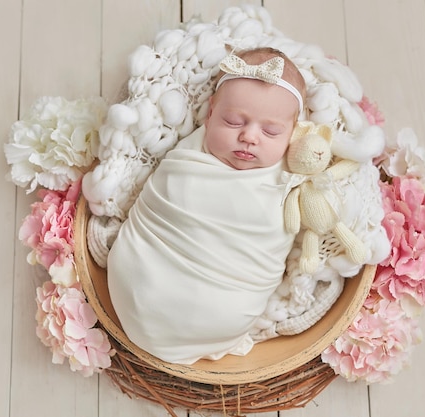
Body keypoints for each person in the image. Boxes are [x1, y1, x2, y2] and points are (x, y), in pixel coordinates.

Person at [106, 47, 307, 364]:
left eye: (270, 131)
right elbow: (161, 201)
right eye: (233, 121)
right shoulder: (188, 156)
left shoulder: (290, 174)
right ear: (210, 113)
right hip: (143, 276)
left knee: (221, 309)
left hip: (225, 299)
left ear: (294, 133)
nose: (249, 137)